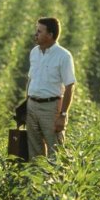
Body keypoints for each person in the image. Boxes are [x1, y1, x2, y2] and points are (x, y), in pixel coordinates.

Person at [25, 17, 76, 160]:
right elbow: (30, 80)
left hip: (51, 108)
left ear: (50, 35)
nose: (36, 34)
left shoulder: (63, 56)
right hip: (32, 106)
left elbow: (70, 86)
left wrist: (63, 115)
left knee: (56, 152)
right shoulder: (34, 52)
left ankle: (55, 181)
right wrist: (26, 105)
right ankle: (36, 180)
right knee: (34, 152)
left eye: (39, 31)